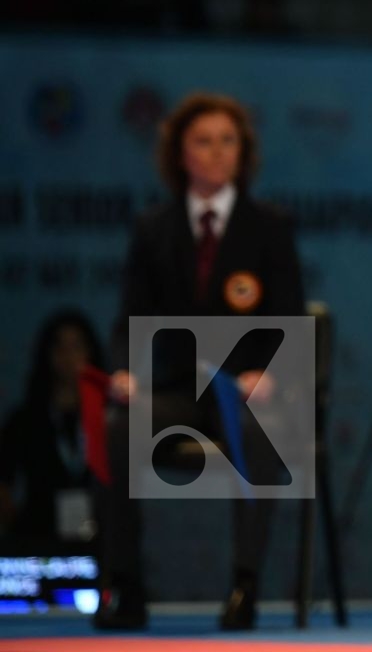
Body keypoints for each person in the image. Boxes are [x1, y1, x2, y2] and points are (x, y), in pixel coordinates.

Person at [95, 91, 305, 632]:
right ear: (180, 155)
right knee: (115, 429)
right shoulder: (153, 228)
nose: (216, 153)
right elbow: (129, 318)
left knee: (266, 430)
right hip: (174, 392)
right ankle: (126, 586)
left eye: (228, 142)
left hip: (242, 393)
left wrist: (271, 373)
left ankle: (244, 585)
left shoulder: (269, 226)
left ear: (244, 153)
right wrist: (125, 372)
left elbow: (290, 319)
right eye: (203, 142)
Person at [0, 310, 107, 546]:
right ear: (46, 354)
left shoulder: (109, 421)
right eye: (59, 347)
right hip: (36, 538)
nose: (68, 356)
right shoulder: (24, 420)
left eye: (77, 346)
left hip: (101, 540)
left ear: (90, 353)